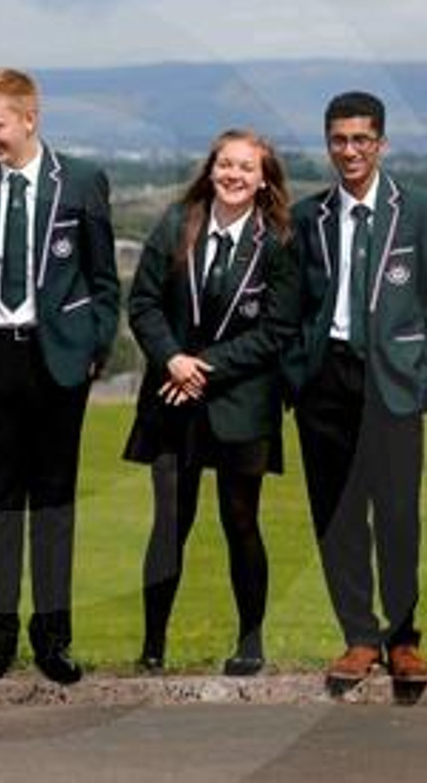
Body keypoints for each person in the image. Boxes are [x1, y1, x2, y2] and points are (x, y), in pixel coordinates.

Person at [283, 91, 427, 692]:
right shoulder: (310, 219)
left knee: (399, 518)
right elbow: (293, 307)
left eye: (361, 139)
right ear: (328, 143)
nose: (350, 150)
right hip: (325, 384)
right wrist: (297, 378)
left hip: (395, 386)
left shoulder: (420, 211)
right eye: (339, 139)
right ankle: (359, 637)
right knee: (338, 518)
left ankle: (404, 639)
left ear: (380, 143)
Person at [0, 68, 120, 685]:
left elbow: (104, 281)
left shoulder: (79, 182)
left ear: (29, 117)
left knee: (53, 506)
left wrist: (92, 352)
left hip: (58, 363)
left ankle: (53, 641)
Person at [124, 129, 299, 676]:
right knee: (170, 523)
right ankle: (153, 645)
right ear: (211, 168)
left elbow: (278, 329)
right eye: (226, 164)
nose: (234, 175)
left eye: (247, 167)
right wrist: (173, 358)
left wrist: (207, 367)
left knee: (241, 521)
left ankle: (250, 642)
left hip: (241, 402)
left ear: (264, 178)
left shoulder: (278, 241)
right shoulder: (179, 224)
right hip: (172, 394)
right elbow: (144, 303)